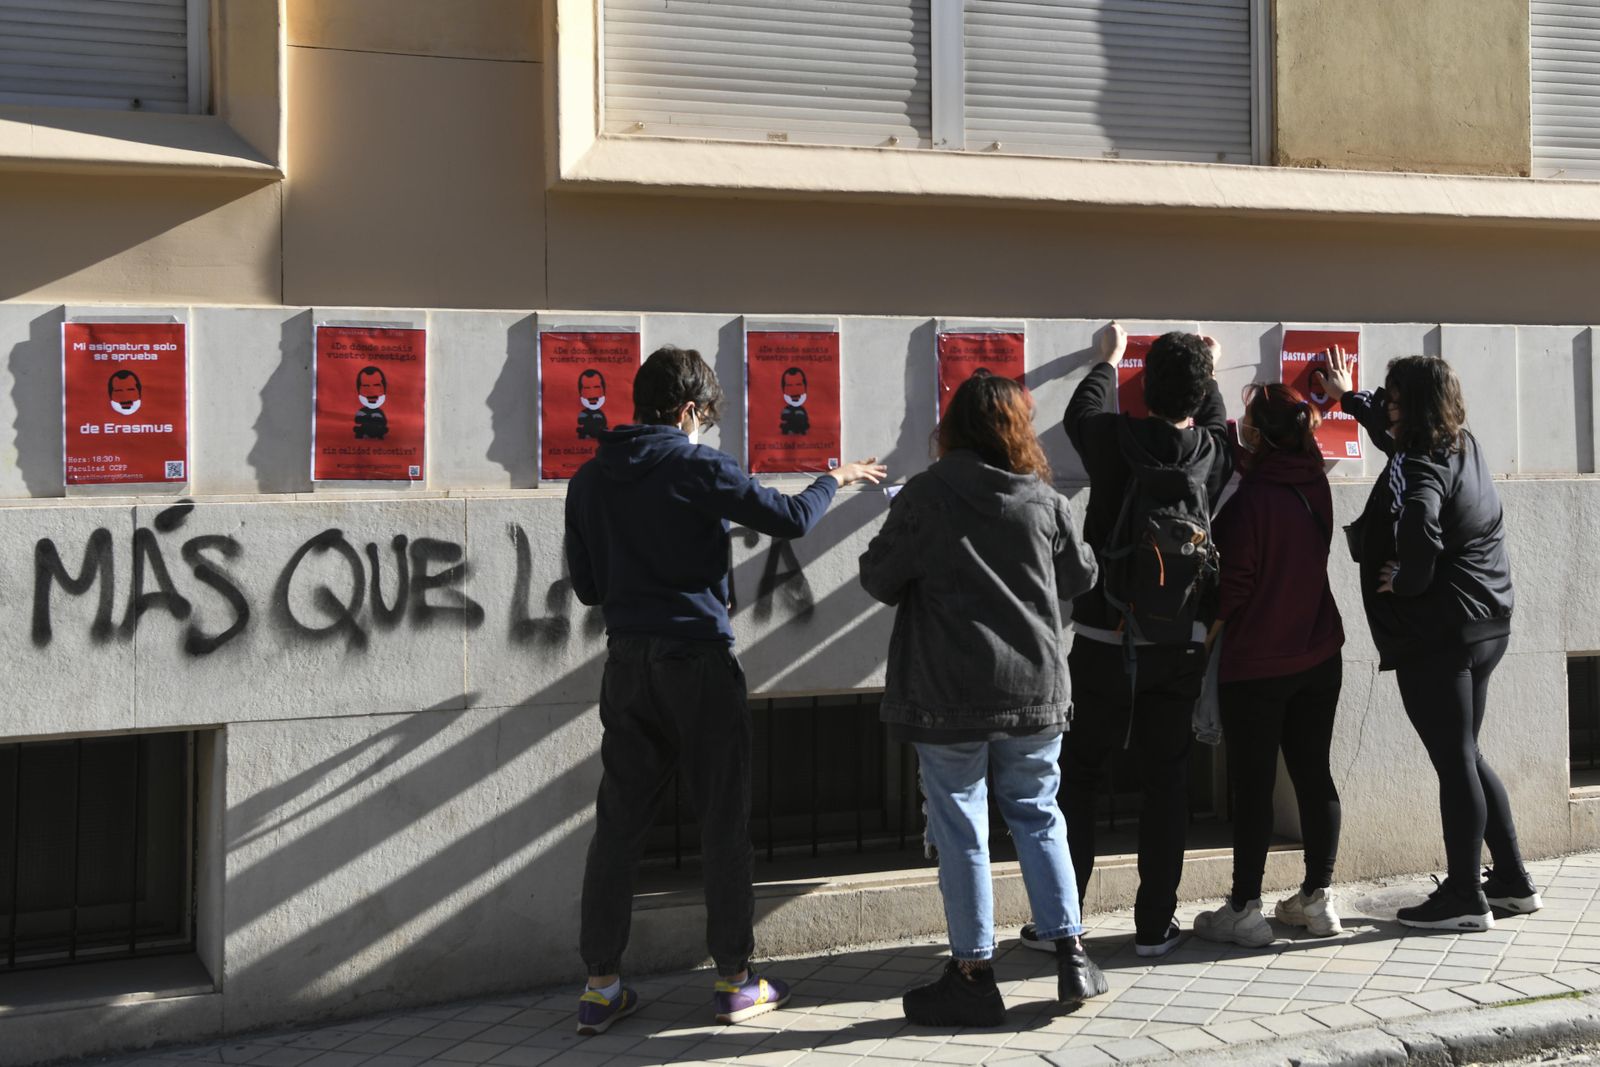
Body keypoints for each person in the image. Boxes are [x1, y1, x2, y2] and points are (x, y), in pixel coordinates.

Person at [565, 345, 887, 1034]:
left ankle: (599, 986)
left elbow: (589, 586)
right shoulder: (694, 464)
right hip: (698, 663)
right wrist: (835, 475)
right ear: (688, 411)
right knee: (721, 817)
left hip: (627, 666)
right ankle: (736, 979)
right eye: (705, 416)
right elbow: (791, 519)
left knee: (618, 823)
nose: (705, 427)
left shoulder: (590, 479)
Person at [860, 372, 1106, 1026]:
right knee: (1038, 810)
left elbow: (879, 577)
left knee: (962, 827)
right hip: (1034, 688)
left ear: (955, 428)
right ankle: (1072, 952)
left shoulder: (925, 495)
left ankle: (973, 973)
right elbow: (1082, 575)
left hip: (948, 693)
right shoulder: (1044, 500)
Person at [1317, 347, 1539, 931]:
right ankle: (1513, 882)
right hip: (1487, 622)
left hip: (1444, 632)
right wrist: (1349, 397)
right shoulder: (1458, 443)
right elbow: (1393, 441)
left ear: (1411, 406)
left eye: (1392, 398)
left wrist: (1409, 581)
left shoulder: (1423, 466)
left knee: (1454, 760)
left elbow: (1421, 525)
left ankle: (1465, 897)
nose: (1385, 405)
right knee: (1466, 751)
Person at [1045, 322, 1234, 959]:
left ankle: (1062, 925)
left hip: (1104, 634)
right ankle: (1155, 926)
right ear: (1200, 391)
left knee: (1081, 777)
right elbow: (1215, 422)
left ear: (1143, 388)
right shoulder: (1211, 449)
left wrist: (1107, 361)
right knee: (1167, 783)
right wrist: (1208, 373)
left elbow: (1081, 412)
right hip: (1179, 640)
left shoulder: (1114, 439)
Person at [1192, 383, 1345, 948]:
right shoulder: (1315, 483)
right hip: (1319, 650)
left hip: (1257, 661)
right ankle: (1319, 898)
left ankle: (1245, 908)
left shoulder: (1249, 501)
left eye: (1248, 422)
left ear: (1258, 436)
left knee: (1253, 786)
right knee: (1313, 773)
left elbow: (1234, 587)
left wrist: (1207, 637)